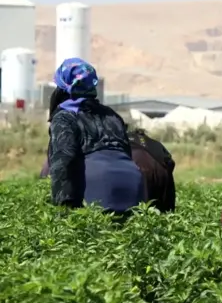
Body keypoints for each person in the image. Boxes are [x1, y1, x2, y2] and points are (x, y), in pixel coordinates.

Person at [48, 58, 144, 213]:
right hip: (134, 183)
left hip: (99, 184)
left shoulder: (65, 117)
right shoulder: (112, 115)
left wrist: (63, 208)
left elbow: (64, 160)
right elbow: (127, 152)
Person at [128, 127, 176, 213]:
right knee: (162, 212)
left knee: (139, 212)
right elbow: (170, 162)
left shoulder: (124, 142)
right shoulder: (156, 144)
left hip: (138, 170)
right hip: (161, 172)